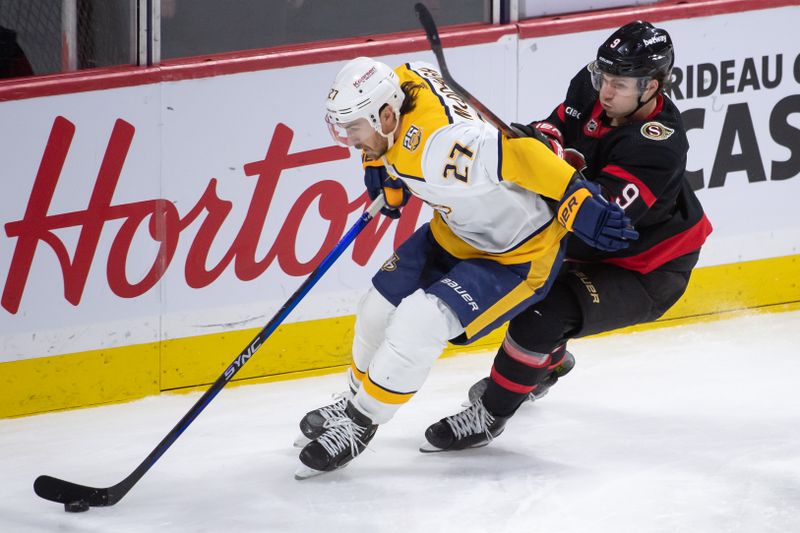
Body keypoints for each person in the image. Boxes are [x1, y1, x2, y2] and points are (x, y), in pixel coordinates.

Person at [294, 56, 638, 478]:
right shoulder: (398, 85)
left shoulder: (446, 149)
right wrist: (377, 163)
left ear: (385, 115)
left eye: (354, 130)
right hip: (455, 231)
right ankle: (352, 398)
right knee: (375, 309)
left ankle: (360, 422)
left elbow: (522, 154)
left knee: (419, 323)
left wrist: (576, 196)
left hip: (515, 253)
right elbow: (417, 68)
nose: (349, 140)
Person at [421, 20, 714, 452]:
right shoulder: (591, 86)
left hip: (646, 269)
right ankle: (548, 363)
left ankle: (491, 417)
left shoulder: (659, 146)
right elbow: (557, 127)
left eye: (618, 83)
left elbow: (599, 223)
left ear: (651, 86)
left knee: (542, 313)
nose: (605, 91)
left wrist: (544, 173)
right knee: (525, 290)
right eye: (603, 77)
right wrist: (541, 139)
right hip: (590, 247)